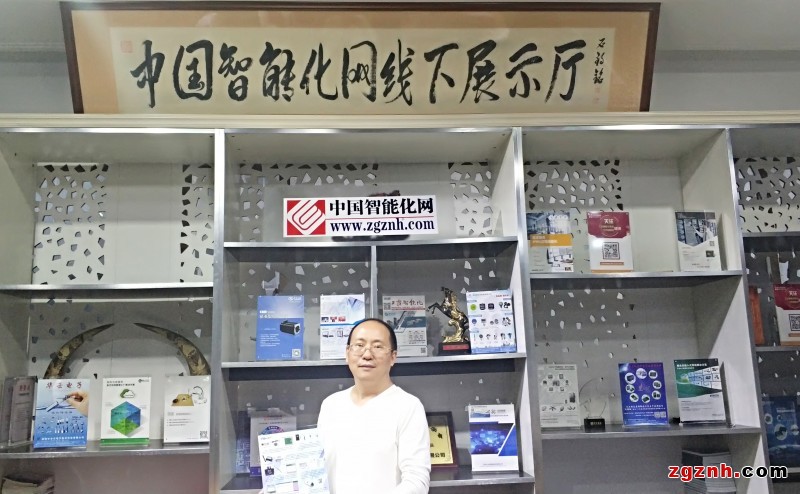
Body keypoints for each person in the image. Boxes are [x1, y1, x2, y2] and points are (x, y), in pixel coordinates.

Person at [317, 318, 431, 494]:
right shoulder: (331, 405)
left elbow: (417, 481)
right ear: (347, 353)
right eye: (359, 345)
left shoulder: (408, 406)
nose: (367, 354)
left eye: (378, 346)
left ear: (393, 357)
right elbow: (316, 470)